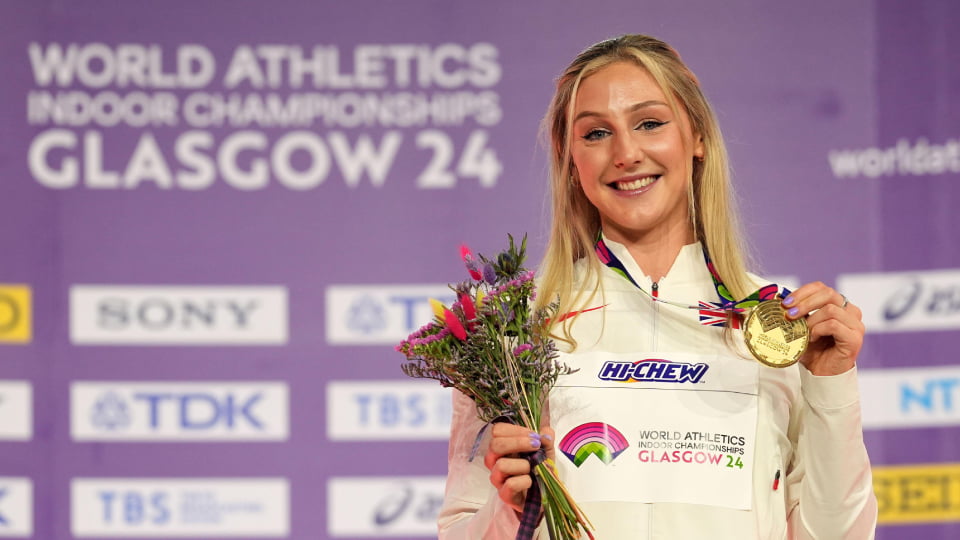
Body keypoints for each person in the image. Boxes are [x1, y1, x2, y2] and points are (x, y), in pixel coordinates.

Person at [438, 34, 877, 539]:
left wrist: (830, 383)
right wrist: (510, 511)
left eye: (650, 123)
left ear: (697, 136)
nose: (626, 152)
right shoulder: (513, 330)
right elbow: (460, 530)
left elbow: (838, 534)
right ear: (568, 157)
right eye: (596, 133)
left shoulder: (779, 329)